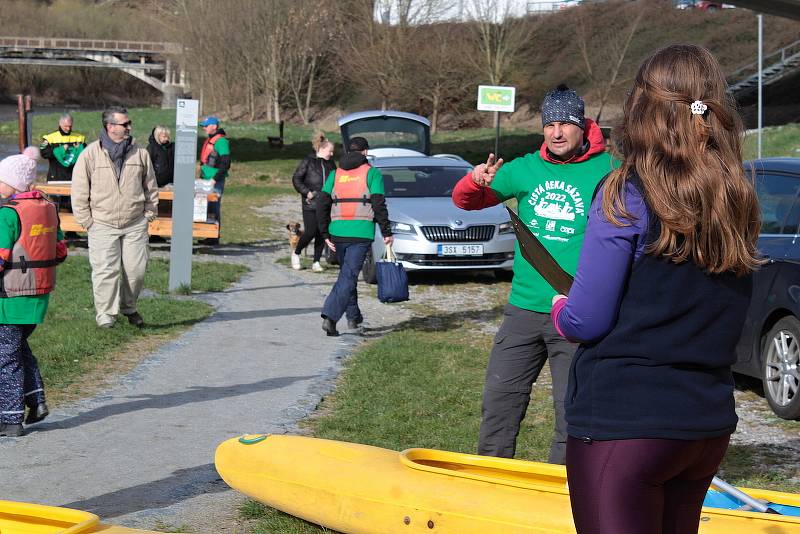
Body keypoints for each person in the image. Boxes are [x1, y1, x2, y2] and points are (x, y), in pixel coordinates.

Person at [551, 44, 760, 533]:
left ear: (641, 108)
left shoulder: (625, 194)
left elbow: (587, 319)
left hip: (626, 421)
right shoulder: (736, 197)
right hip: (704, 423)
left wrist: (563, 308)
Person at [452, 85, 616, 464]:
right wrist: (475, 180)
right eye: (549, 125)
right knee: (499, 401)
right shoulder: (525, 169)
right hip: (522, 310)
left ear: (583, 126)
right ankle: (492, 478)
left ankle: (562, 490)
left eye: (565, 124)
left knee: (569, 412)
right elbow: (467, 202)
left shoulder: (610, 173)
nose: (556, 132)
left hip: (578, 314)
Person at [0, 147, 68, 437]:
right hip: (37, 296)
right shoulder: (48, 208)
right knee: (16, 347)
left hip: (11, 298)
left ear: (13, 184)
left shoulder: (7, 214)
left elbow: (1, 255)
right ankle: (36, 400)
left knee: (6, 356)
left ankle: (11, 417)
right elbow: (61, 250)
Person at [71, 106, 159, 329]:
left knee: (136, 272)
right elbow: (79, 191)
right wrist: (87, 221)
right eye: (124, 124)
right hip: (101, 223)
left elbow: (151, 187)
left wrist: (148, 214)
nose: (129, 127)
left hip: (135, 223)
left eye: (129, 123)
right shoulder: (90, 154)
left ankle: (128, 307)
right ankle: (106, 315)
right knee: (105, 272)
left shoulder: (141, 153)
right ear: (110, 127)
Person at [318, 137, 392, 336]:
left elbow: (322, 203)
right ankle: (331, 317)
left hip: (337, 232)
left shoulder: (335, 173)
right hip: (361, 232)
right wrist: (386, 231)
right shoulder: (372, 173)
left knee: (346, 275)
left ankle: (354, 317)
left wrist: (324, 232)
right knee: (349, 276)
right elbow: (378, 204)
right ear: (365, 152)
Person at [291, 132, 336, 272]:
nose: (332, 154)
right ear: (321, 149)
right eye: (330, 151)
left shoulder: (331, 164)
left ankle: (316, 261)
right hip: (310, 203)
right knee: (310, 231)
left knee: (322, 233)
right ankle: (296, 253)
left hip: (326, 204)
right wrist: (307, 192)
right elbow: (296, 179)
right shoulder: (308, 161)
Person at [199, 116, 231, 245]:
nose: (204, 128)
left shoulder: (221, 142)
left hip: (214, 181)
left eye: (206, 126)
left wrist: (214, 179)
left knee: (214, 207)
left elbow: (226, 163)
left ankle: (213, 237)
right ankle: (208, 234)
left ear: (214, 126)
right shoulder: (211, 140)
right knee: (207, 207)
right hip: (206, 180)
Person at [39, 113, 86, 182]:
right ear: (60, 124)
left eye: (70, 126)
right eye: (66, 126)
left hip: (74, 177)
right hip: (55, 176)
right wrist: (60, 150)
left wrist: (81, 147)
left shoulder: (79, 138)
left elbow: (86, 154)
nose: (68, 129)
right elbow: (43, 153)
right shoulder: (49, 138)